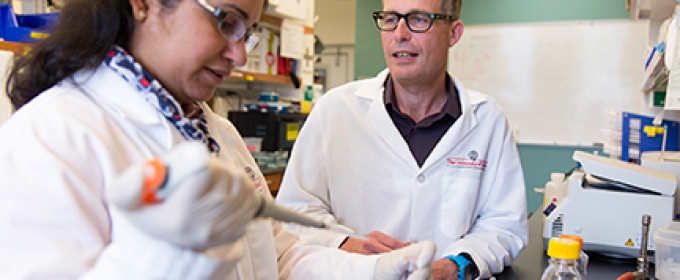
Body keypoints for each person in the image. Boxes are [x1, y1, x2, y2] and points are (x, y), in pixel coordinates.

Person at [0, 0, 437, 279]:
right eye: (225, 20)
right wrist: (165, 249)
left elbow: (279, 259)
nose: (240, 54)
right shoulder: (52, 135)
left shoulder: (216, 132)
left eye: (246, 31)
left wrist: (375, 271)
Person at [275, 0, 529, 279]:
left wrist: (452, 267)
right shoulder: (335, 110)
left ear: (453, 33)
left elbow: (503, 225)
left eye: (419, 19)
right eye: (391, 18)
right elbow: (294, 210)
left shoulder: (487, 120)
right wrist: (345, 244)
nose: (400, 33)